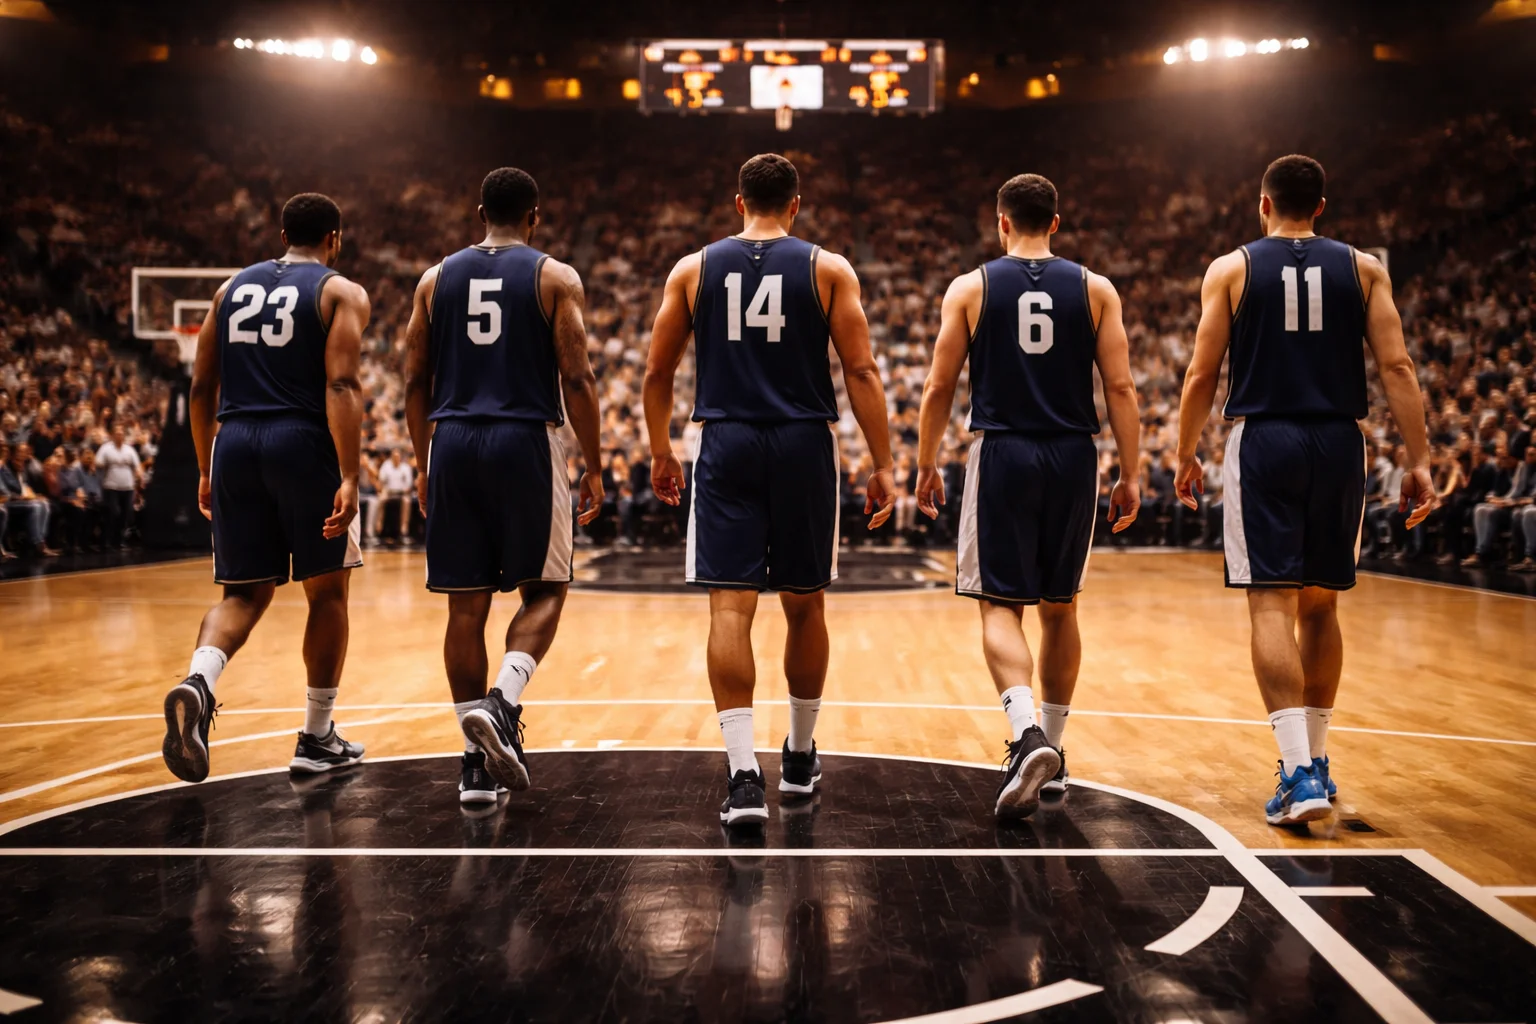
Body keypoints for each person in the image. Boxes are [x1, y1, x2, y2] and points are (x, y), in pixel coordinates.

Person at [1174, 155, 1434, 826]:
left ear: (1263, 206)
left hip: (1266, 441)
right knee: (1322, 608)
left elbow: (1203, 373)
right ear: (1321, 206)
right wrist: (1420, 459)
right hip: (1340, 441)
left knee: (1270, 606)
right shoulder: (1364, 269)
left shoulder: (1231, 269)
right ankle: (1317, 763)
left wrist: (1183, 451)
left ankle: (1295, 774)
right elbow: (1397, 366)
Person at [643, 153, 895, 828]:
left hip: (725, 440)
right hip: (802, 440)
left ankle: (744, 776)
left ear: (737, 204)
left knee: (730, 610)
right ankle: (803, 755)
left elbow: (656, 372)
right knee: (806, 606)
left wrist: (661, 450)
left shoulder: (693, 269)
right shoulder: (828, 268)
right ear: (795, 206)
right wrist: (883, 462)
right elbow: (863, 371)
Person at [914, 173, 1142, 820]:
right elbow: (1120, 389)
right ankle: (1055, 755)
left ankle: (1026, 736)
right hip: (1074, 454)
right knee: (1061, 608)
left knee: (998, 605)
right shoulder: (1096, 290)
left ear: (1001, 222)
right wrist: (1132, 471)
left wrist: (926, 464)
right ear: (1057, 223)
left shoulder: (972, 288)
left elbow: (938, 388)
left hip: (1004, 451)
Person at [403, 167, 603, 804]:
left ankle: (473, 767)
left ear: (477, 211)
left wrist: (422, 461)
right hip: (523, 439)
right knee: (547, 588)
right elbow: (577, 378)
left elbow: (413, 382)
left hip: (453, 441)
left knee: (466, 608)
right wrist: (594, 463)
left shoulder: (434, 281)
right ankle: (502, 701)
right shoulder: (554, 276)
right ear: (534, 217)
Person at [161, 193, 371, 784]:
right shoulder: (339, 292)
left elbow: (202, 387)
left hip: (234, 440)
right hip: (301, 441)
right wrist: (350, 475)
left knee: (242, 596)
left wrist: (205, 466)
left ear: (282, 232)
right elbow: (342, 384)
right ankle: (317, 736)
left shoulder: (229, 290)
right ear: (335, 237)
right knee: (326, 594)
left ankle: (199, 680)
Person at [96, 423, 142, 548]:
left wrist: (139, 476)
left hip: (127, 487)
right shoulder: (106, 448)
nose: (119, 435)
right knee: (113, 513)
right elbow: (98, 463)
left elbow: (137, 466)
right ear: (112, 435)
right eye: (117, 433)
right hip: (111, 486)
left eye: (121, 433)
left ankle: (119, 540)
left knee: (125, 514)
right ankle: (107, 540)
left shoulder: (129, 450)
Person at [376, 449, 414, 545]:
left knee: (407, 501)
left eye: (398, 457)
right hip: (388, 492)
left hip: (401, 493)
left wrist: (404, 490)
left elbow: (409, 485)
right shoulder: (386, 466)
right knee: (381, 500)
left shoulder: (406, 468)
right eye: (394, 457)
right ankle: (378, 528)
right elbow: (381, 481)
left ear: (401, 458)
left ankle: (403, 530)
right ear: (391, 457)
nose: (396, 459)